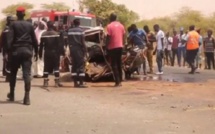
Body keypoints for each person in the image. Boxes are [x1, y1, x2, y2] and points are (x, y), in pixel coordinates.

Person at [6, 7, 38, 105]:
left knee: (13, 74)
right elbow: (34, 40)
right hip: (27, 50)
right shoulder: (29, 25)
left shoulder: (13, 24)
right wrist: (36, 51)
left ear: (17, 14)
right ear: (24, 14)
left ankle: (12, 94)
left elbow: (9, 40)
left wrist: (8, 52)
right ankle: (26, 97)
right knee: (26, 74)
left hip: (16, 51)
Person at [39, 21, 64, 87]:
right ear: (53, 26)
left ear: (47, 26)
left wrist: (40, 54)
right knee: (56, 67)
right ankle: (56, 82)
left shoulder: (43, 34)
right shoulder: (57, 34)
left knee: (46, 67)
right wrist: (62, 53)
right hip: (55, 53)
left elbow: (41, 45)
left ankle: (45, 82)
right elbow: (60, 45)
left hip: (47, 52)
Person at [106, 13, 125, 87]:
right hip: (120, 46)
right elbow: (124, 36)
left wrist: (106, 46)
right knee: (119, 63)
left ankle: (117, 82)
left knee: (114, 65)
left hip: (112, 47)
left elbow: (108, 37)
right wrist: (123, 44)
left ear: (110, 18)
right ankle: (120, 80)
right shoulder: (121, 25)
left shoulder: (109, 26)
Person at [68, 19, 88, 88]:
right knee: (80, 65)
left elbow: (68, 41)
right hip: (79, 49)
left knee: (74, 65)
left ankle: (75, 83)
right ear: (79, 23)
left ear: (73, 23)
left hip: (72, 49)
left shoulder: (69, 31)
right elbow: (83, 42)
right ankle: (81, 83)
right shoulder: (81, 31)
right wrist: (85, 51)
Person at [0, 16, 15, 82]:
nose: (12, 21)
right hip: (7, 49)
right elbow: (1, 40)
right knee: (7, 62)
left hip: (12, 49)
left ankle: (9, 76)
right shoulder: (6, 30)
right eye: (11, 20)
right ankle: (8, 77)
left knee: (10, 63)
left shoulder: (13, 29)